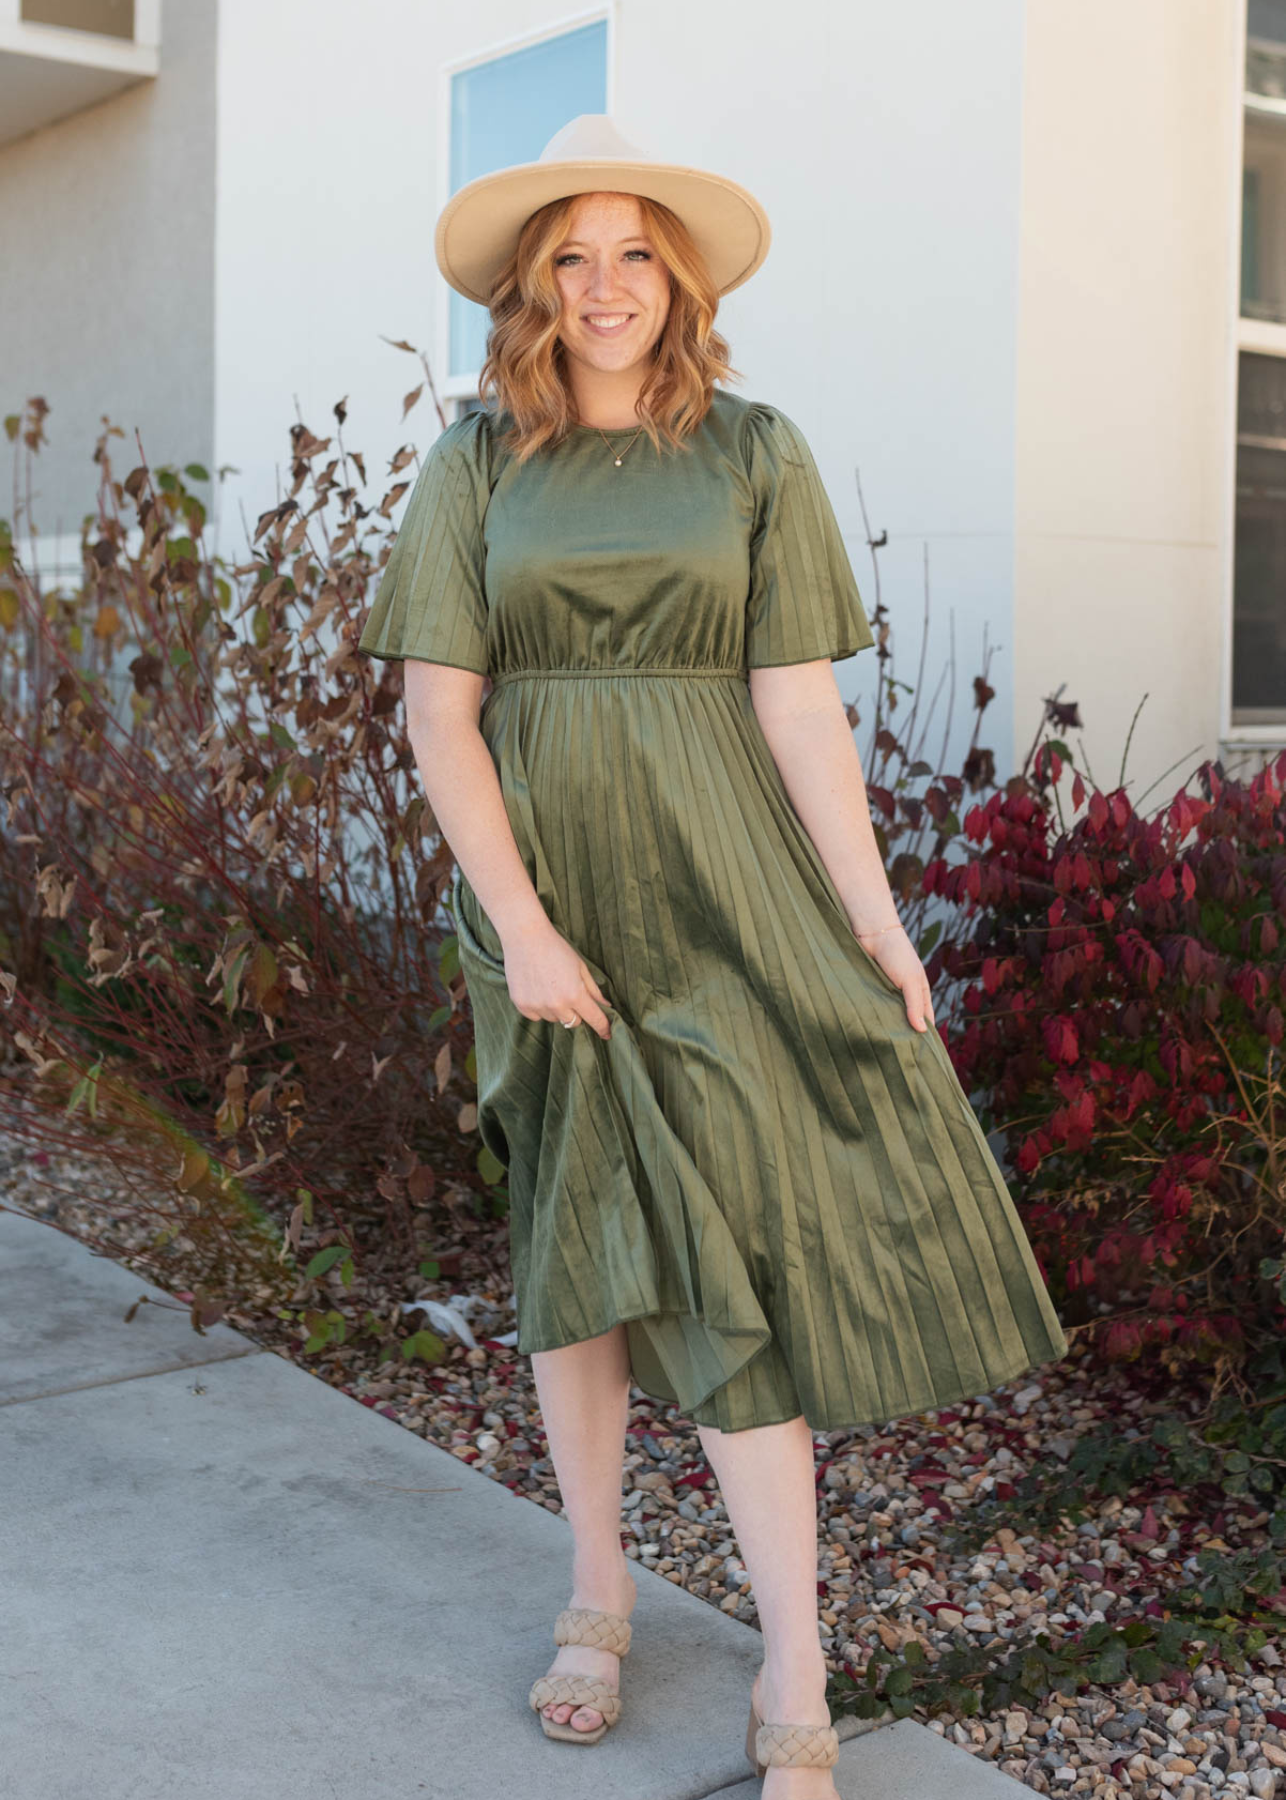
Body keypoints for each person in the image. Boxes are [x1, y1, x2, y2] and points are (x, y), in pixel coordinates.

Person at [357, 113, 1067, 1796]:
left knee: (738, 1250)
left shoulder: (756, 451)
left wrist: (877, 924)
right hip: (546, 906)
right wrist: (519, 927)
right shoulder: (476, 464)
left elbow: (798, 707)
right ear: (535, 286)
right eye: (572, 258)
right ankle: (597, 1594)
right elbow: (437, 714)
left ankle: (793, 1666)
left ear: (677, 275)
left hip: (725, 888)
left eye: (635, 252)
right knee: (577, 1249)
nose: (605, 285)